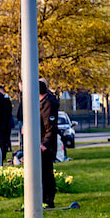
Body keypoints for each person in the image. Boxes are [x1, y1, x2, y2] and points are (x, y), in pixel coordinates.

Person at [39, 78, 60, 208]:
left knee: (46, 172)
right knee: (41, 172)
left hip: (45, 145)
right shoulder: (40, 102)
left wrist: (45, 144)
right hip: (40, 142)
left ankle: (47, 200)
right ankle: (41, 199)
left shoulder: (48, 104)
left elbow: (50, 127)